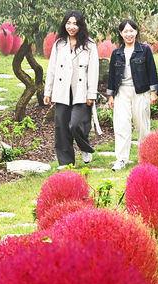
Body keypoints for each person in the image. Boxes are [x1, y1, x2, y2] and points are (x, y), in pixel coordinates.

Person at [44, 10, 99, 167]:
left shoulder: (89, 45)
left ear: (80, 25)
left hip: (81, 90)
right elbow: (52, 69)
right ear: (64, 24)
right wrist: (48, 91)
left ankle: (84, 146)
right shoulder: (59, 44)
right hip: (62, 90)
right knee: (61, 127)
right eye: (68, 23)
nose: (71, 27)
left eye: (75, 23)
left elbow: (93, 71)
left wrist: (91, 93)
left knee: (75, 124)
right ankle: (66, 162)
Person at [107, 19, 158, 171]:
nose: (129, 34)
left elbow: (152, 71)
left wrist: (153, 92)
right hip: (121, 92)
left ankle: (145, 158)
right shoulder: (116, 53)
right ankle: (121, 159)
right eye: (125, 31)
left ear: (136, 32)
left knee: (142, 125)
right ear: (120, 33)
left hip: (140, 91)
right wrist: (111, 96)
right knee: (121, 126)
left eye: (131, 31)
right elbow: (111, 76)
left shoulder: (145, 50)